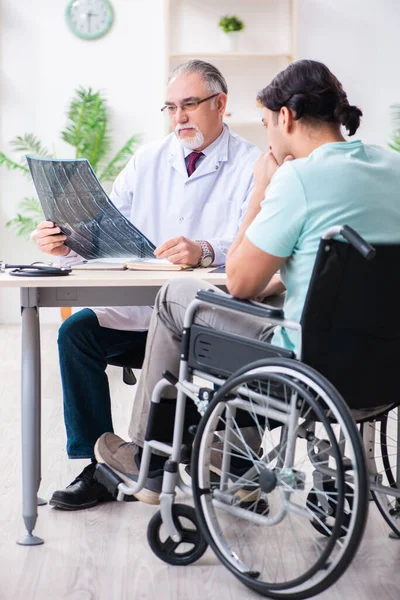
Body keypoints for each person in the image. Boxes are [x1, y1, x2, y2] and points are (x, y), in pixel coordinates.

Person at [94, 59, 400, 504]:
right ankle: (233, 459)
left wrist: (261, 188)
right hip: (384, 369)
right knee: (270, 302)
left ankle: (150, 457)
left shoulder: (298, 178)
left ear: (286, 117)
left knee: (176, 296)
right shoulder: (392, 167)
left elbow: (238, 282)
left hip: (309, 366)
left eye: (265, 124)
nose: (267, 139)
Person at [30, 60, 261, 510]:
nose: (180, 117)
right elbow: (105, 232)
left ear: (221, 104)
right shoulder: (148, 160)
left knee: (193, 345)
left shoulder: (253, 165)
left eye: (190, 105)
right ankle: (96, 468)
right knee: (76, 334)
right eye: (171, 107)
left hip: (203, 324)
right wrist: (65, 243)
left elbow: (257, 244)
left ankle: (211, 465)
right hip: (140, 318)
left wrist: (206, 249)